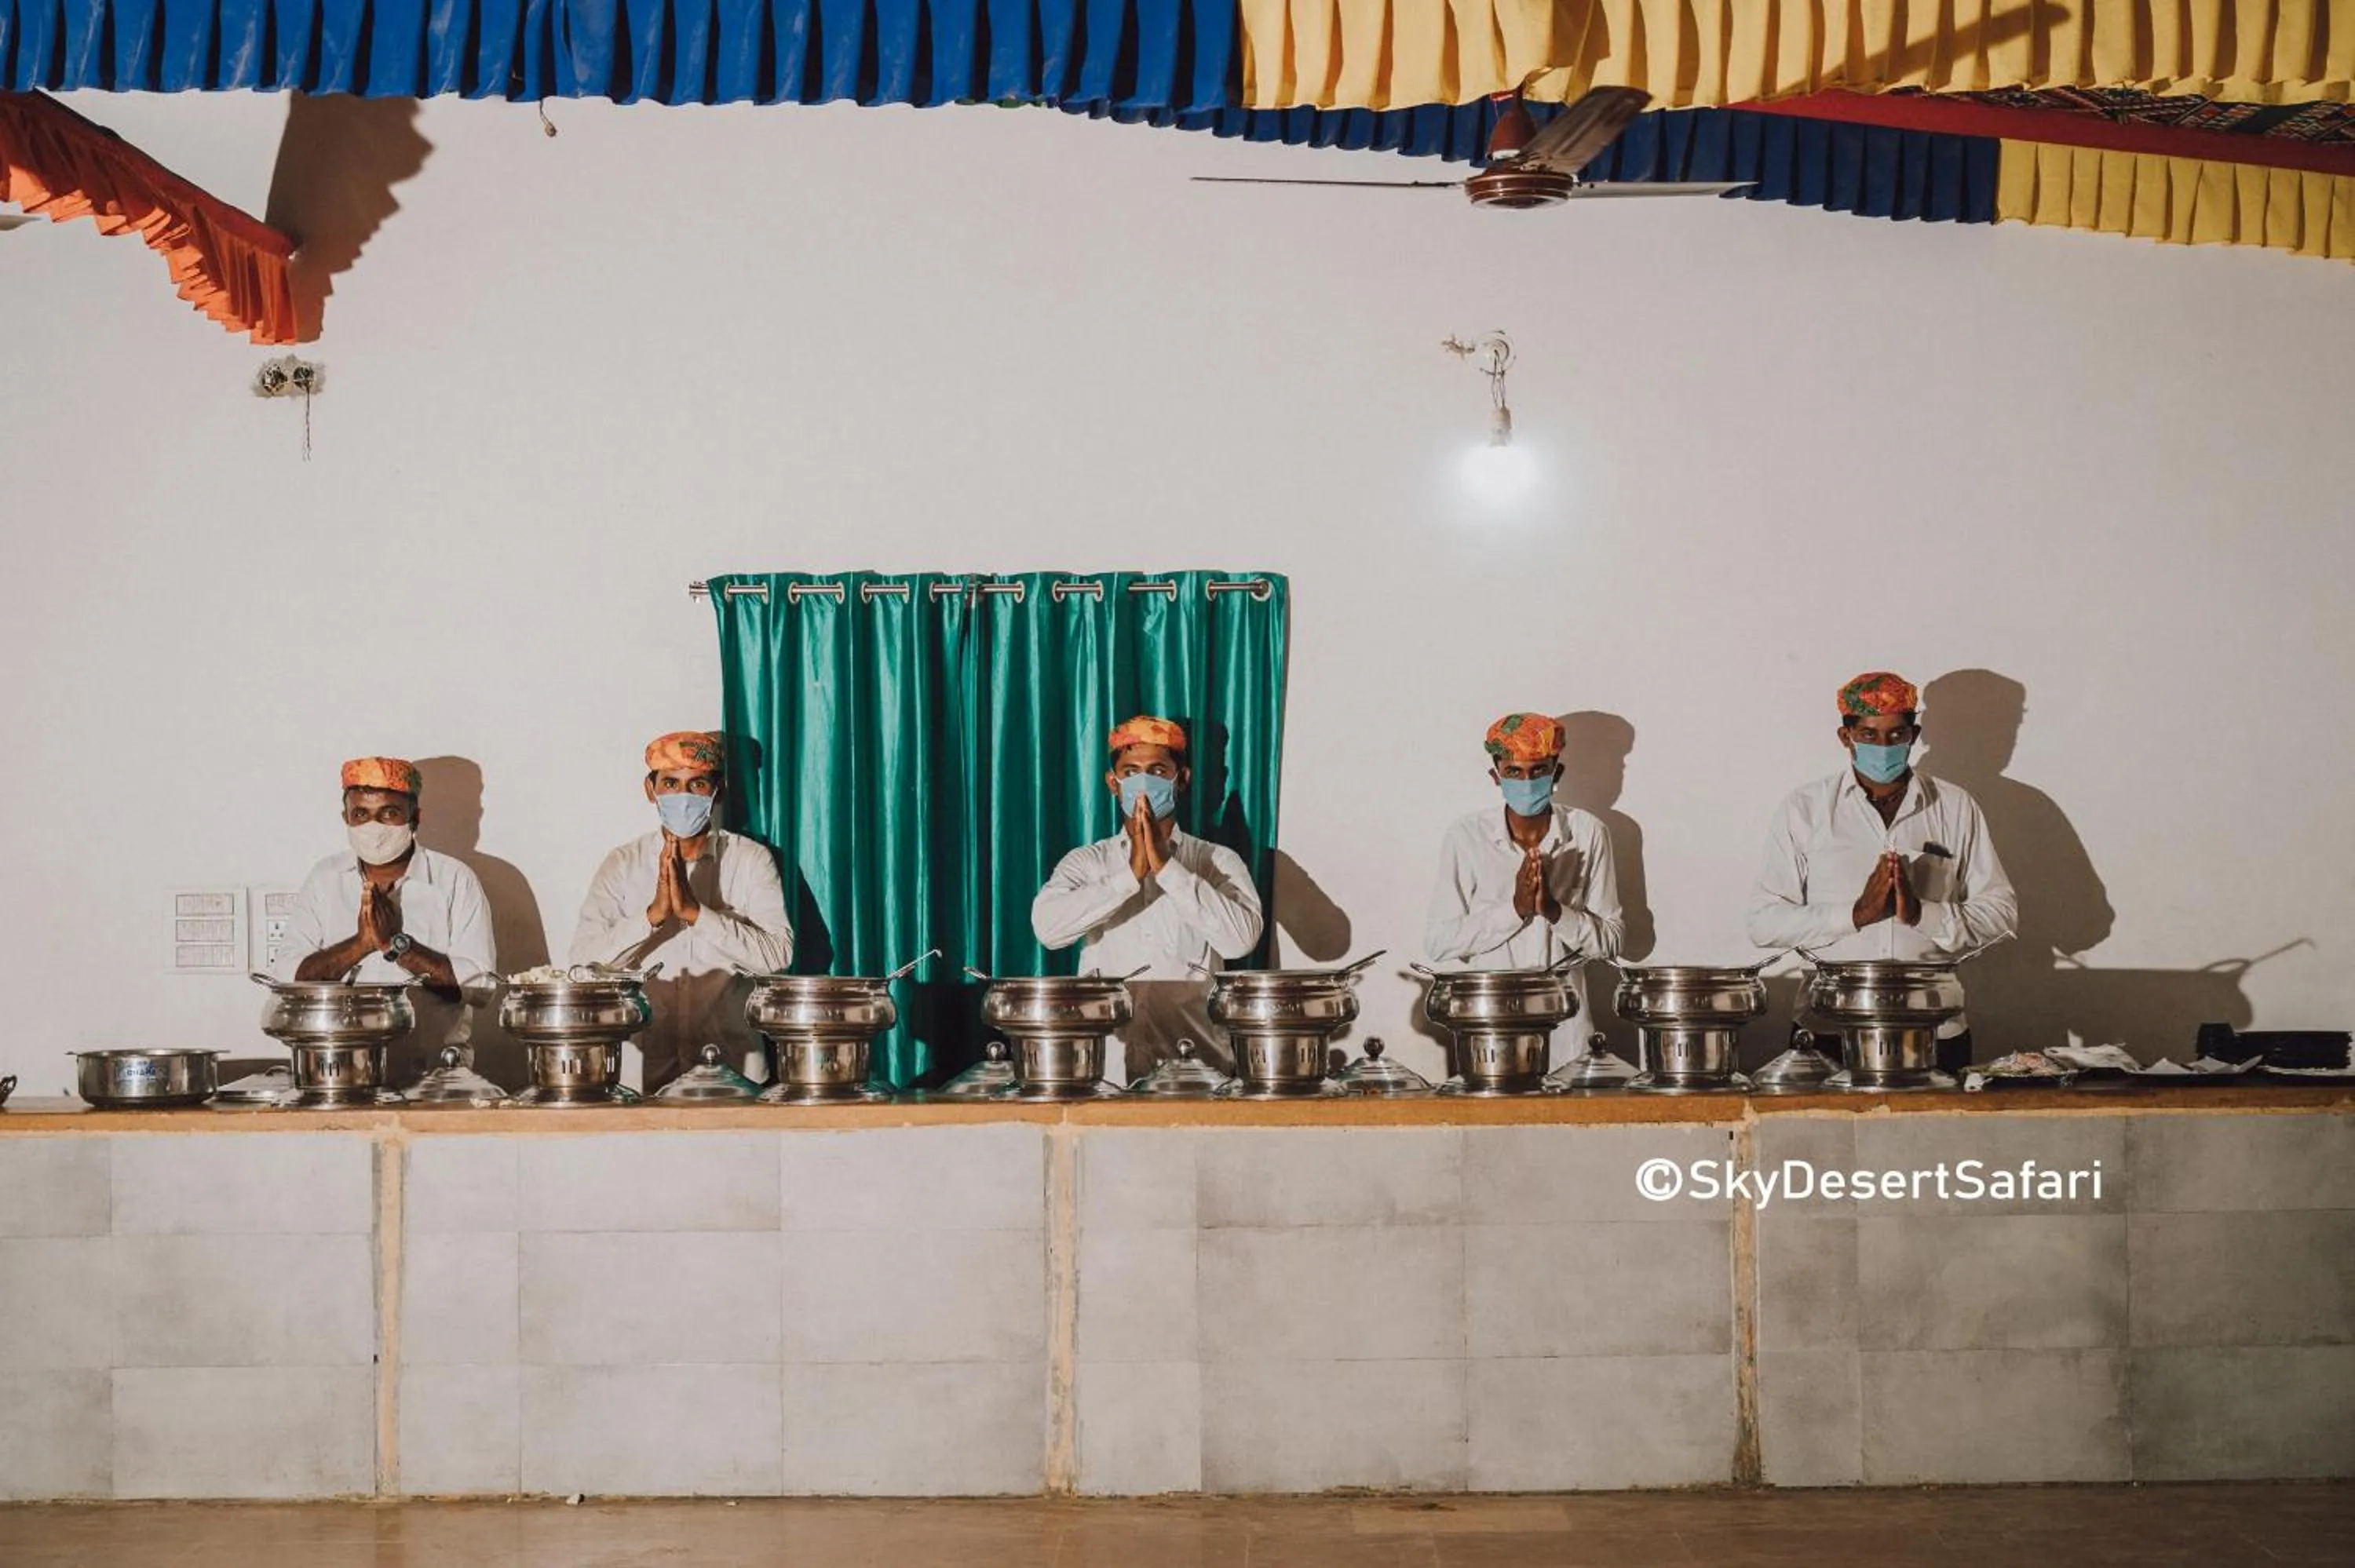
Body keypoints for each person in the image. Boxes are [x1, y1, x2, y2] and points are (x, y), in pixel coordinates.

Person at [1747, 671, 2019, 1072]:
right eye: (1869, 735)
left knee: (1932, 1136)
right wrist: (1855, 915)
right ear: (1846, 737)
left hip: (1934, 1027)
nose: (1884, 747)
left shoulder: (1956, 806)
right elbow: (1764, 924)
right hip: (1829, 1029)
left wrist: (1921, 913)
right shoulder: (1805, 809)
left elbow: (2002, 915)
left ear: (1914, 733)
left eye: (1896, 735)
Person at [1031, 715, 1265, 1081]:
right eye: (1130, 772)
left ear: (1182, 779)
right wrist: (1130, 874)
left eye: (1157, 770)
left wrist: (1169, 869)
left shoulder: (1217, 860)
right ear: (1113, 783)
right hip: (1103, 1072)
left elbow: (1240, 941)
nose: (1143, 783)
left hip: (1198, 1070)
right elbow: (1048, 930)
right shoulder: (1087, 862)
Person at [568, 731, 794, 1089]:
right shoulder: (623, 864)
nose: (683, 797)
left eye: (697, 783)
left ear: (717, 791)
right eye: (671, 783)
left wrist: (696, 913)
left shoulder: (750, 860)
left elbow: (778, 957)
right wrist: (652, 917)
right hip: (640, 1078)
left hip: (734, 1074)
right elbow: (581, 967)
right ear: (650, 790)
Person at [276, 757, 498, 1076]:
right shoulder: (325, 878)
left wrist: (398, 946)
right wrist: (360, 945)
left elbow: (480, 986)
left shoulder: (454, 880)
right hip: (339, 1074)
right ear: (346, 818)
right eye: (361, 815)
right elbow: (290, 979)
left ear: (415, 818)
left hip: (436, 1077)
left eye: (389, 814)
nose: (373, 827)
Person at [1424, 713, 1626, 1055]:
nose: (1526, 782)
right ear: (1496, 776)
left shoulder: (1588, 832)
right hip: (1492, 1029)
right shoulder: (1467, 837)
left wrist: (1553, 910)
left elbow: (1612, 942)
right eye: (1514, 772)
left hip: (1568, 1030)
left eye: (1538, 771)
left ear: (1556, 772)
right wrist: (1515, 909)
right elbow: (1439, 943)